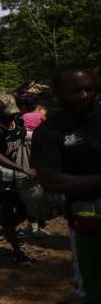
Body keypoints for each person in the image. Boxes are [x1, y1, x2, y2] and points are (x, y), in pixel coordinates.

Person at [32, 66, 101, 302]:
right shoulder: (48, 132)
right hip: (87, 214)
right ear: (57, 94)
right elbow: (50, 180)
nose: (84, 95)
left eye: (88, 89)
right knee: (91, 286)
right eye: (75, 91)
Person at [0, 94, 36, 265]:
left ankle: (8, 228)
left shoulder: (18, 123)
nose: (12, 115)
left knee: (26, 209)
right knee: (6, 213)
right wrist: (22, 168)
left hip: (17, 174)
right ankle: (17, 251)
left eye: (14, 112)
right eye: (8, 113)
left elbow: (27, 140)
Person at [18, 96, 50, 238]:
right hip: (42, 150)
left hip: (26, 151)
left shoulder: (21, 118)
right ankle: (42, 223)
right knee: (41, 186)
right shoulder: (41, 116)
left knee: (27, 186)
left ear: (23, 107)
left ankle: (33, 225)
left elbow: (18, 135)